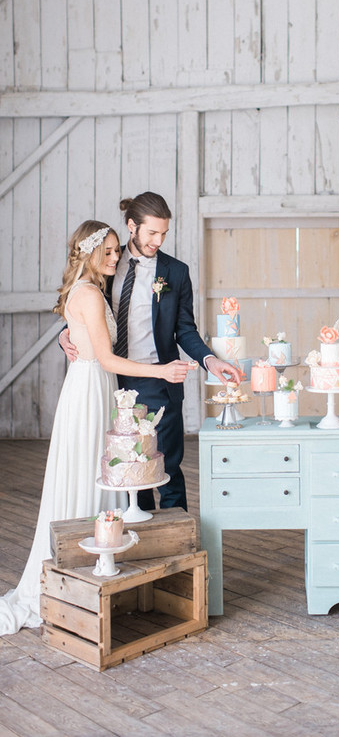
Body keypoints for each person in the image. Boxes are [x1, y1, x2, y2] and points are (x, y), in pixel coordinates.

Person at [0, 221, 192, 635]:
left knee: (102, 476)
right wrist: (161, 370)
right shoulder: (89, 292)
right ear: (87, 252)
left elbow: (87, 331)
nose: (114, 257)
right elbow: (105, 357)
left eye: (114, 250)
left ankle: (100, 574)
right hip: (91, 387)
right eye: (105, 251)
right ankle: (77, 575)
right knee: (91, 473)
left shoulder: (95, 287)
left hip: (98, 387)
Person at [61, 193, 241, 511]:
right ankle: (138, 543)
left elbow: (185, 329)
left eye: (163, 234)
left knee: (167, 470)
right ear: (133, 226)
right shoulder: (106, 264)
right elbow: (82, 309)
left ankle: (178, 546)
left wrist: (210, 359)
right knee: (128, 474)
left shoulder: (175, 273)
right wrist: (67, 334)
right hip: (110, 383)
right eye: (151, 233)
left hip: (159, 384)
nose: (158, 241)